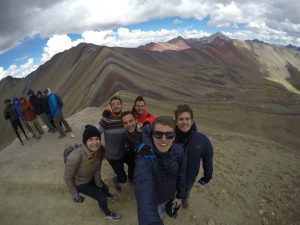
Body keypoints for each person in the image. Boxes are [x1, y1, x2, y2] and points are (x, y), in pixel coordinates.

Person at [135, 116, 186, 225]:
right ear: (152, 135)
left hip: (172, 194)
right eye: (158, 134)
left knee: (169, 208)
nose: (163, 139)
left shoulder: (179, 151)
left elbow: (181, 174)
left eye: (169, 135)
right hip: (156, 200)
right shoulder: (145, 155)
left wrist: (180, 196)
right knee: (159, 214)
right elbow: (143, 183)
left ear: (174, 137)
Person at [64, 125, 121, 221]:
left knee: (105, 188)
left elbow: (97, 167)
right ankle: (108, 214)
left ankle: (108, 195)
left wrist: (99, 184)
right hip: (81, 183)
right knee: (101, 198)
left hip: (91, 177)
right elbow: (67, 177)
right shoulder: (75, 157)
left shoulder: (99, 150)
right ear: (85, 141)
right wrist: (75, 195)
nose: (95, 142)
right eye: (90, 139)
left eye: (97, 139)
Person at [174, 104, 213, 208]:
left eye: (187, 119)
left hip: (189, 178)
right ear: (176, 122)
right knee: (172, 194)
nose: (184, 122)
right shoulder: (169, 137)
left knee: (186, 192)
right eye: (181, 119)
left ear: (192, 121)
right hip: (171, 178)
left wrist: (207, 176)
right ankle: (173, 205)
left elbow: (208, 159)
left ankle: (184, 200)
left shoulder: (202, 140)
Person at [97, 96, 126, 191]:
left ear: (121, 105)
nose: (116, 106)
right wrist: (89, 130)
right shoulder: (106, 120)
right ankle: (116, 179)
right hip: (112, 156)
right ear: (111, 107)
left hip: (124, 153)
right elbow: (96, 131)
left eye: (118, 104)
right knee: (123, 178)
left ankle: (124, 176)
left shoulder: (125, 119)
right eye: (113, 104)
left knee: (130, 166)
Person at [120, 111, 142, 182]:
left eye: (131, 121)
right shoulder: (125, 135)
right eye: (125, 123)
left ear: (136, 120)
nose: (129, 124)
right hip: (133, 163)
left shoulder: (145, 132)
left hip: (145, 164)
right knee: (131, 177)